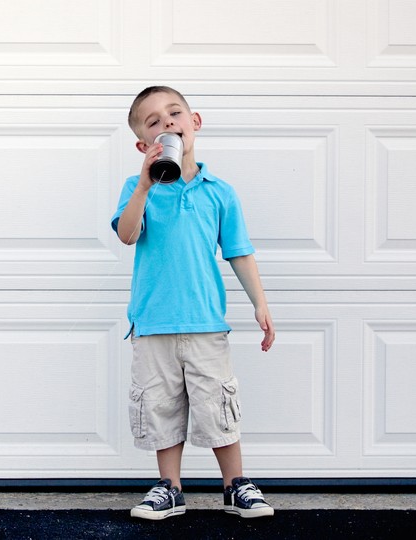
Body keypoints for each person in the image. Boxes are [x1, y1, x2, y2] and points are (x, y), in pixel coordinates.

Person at [112, 86, 276, 520]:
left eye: (174, 113)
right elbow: (127, 234)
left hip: (205, 321)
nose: (166, 122)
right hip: (152, 323)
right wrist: (145, 185)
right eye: (153, 121)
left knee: (217, 403)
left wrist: (259, 303)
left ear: (194, 122)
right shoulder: (136, 187)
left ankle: (235, 484)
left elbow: (238, 250)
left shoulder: (218, 192)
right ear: (143, 145)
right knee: (160, 405)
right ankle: (170, 487)